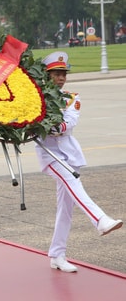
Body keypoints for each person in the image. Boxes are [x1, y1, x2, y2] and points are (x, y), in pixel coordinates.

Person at [36, 52, 123, 273]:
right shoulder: (35, 99)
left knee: (65, 208)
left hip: (69, 152)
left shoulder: (72, 97)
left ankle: (57, 254)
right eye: (56, 74)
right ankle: (100, 219)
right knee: (73, 183)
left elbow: (68, 124)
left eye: (63, 74)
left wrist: (48, 125)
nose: (61, 78)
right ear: (47, 76)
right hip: (49, 152)